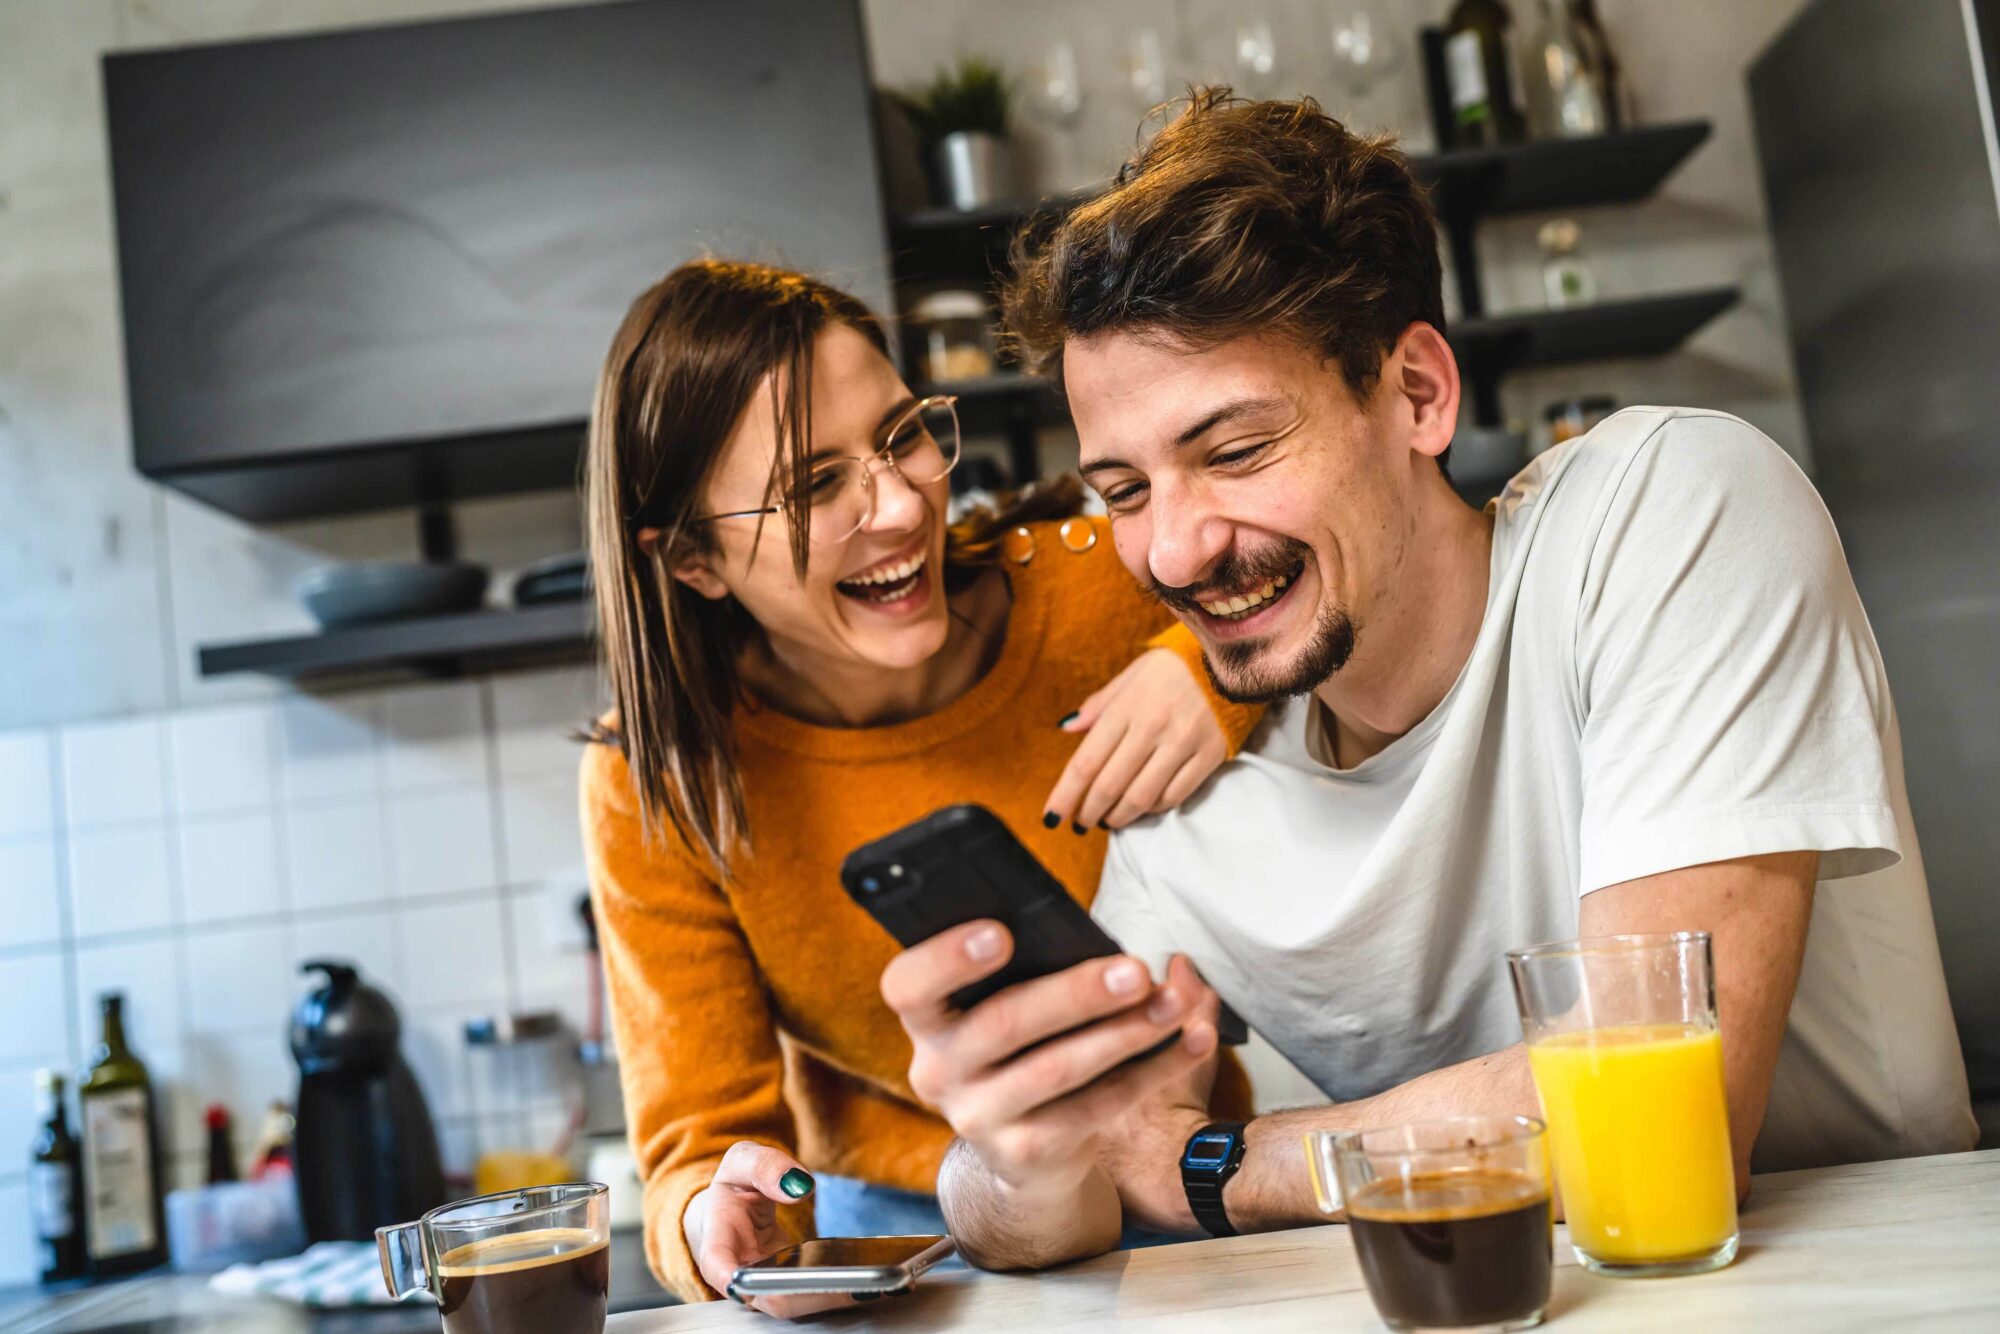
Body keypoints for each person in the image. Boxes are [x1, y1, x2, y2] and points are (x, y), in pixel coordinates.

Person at [879, 92, 1978, 1270]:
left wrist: (1219, 1163)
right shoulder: (1188, 798)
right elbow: (1079, 1183)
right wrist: (1007, 1146)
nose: (1173, 549)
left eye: (1235, 450)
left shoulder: (1671, 510)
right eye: (1125, 489)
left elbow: (1667, 1100)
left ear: (1416, 393)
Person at [578, 259, 1260, 1313]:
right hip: (894, 1238)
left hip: (1180, 1171)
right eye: (812, 486)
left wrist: (1209, 670)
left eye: (900, 436)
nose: (899, 506)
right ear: (690, 560)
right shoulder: (658, 776)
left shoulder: (1103, 591)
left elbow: (1348, 591)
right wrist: (709, 1217)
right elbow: (696, 1141)